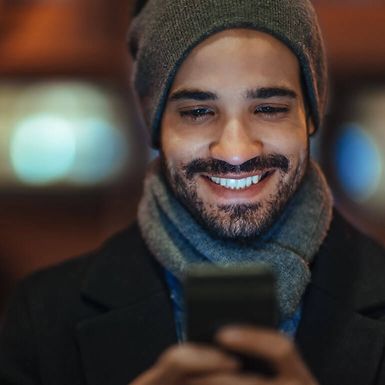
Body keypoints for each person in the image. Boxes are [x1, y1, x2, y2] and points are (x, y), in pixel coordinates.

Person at [1, 1, 385, 384]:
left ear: (310, 117)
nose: (236, 151)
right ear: (156, 127)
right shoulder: (41, 318)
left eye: (268, 108)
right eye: (197, 112)